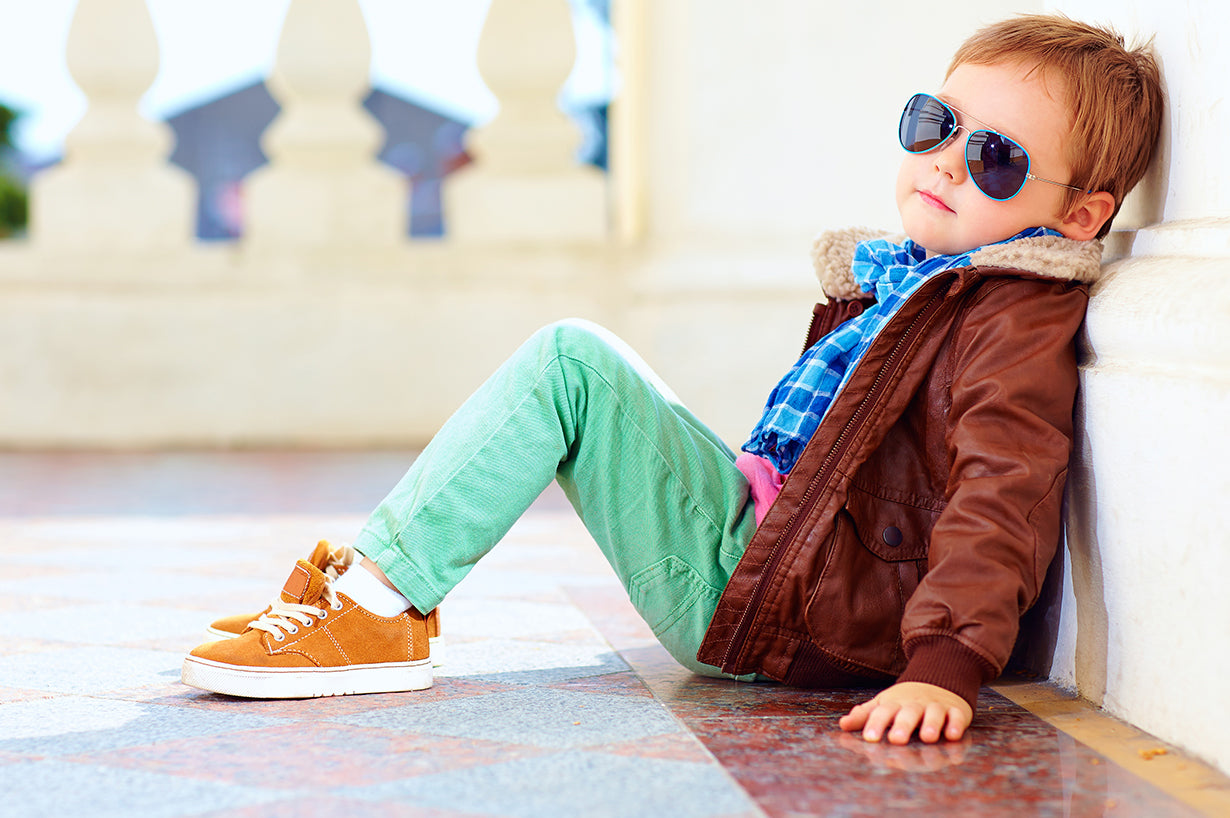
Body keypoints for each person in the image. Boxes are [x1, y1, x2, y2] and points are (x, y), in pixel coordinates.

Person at [181, 14, 1163, 746]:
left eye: (994, 158)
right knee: (580, 360)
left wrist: (945, 662)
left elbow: (1007, 486)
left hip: (822, 614)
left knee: (573, 362)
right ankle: (375, 593)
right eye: (934, 122)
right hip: (791, 554)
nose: (946, 161)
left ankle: (379, 606)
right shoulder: (920, 279)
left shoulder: (1007, 310)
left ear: (1079, 216)